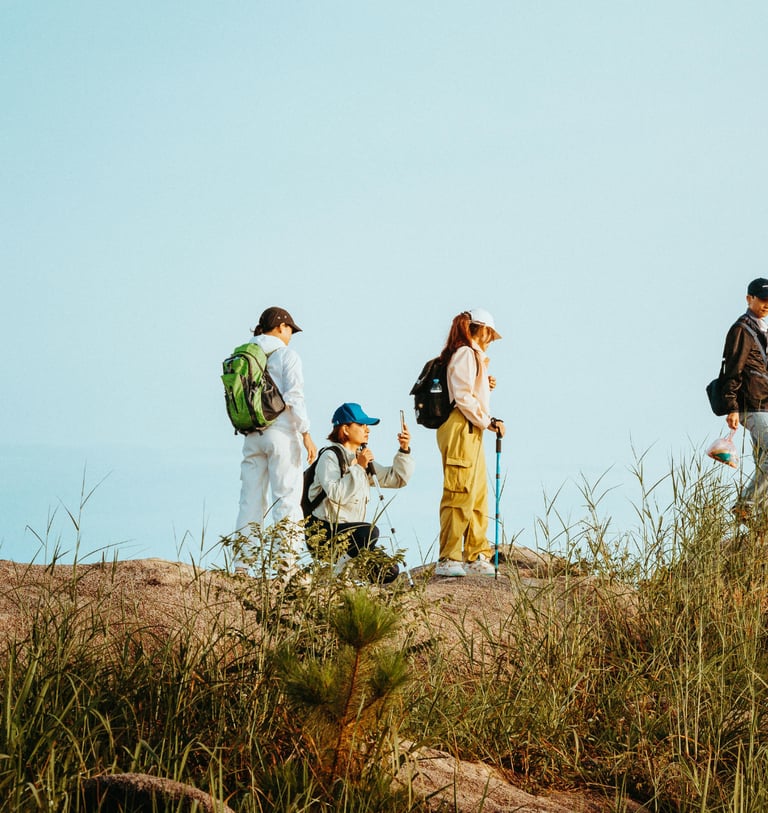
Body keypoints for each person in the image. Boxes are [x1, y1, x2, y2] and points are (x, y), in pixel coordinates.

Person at [235, 307, 317, 570]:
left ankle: (242, 565)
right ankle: (286, 563)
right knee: (287, 497)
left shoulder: (244, 354)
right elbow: (295, 397)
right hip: (281, 434)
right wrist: (306, 434)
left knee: (250, 499)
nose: (291, 334)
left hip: (251, 435)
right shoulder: (286, 355)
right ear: (281, 327)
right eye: (290, 329)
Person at [305, 402, 414, 583]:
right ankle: (336, 575)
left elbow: (396, 479)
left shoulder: (358, 458)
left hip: (351, 535)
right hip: (323, 532)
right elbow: (336, 493)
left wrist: (404, 450)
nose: (367, 430)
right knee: (369, 532)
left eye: (367, 426)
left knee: (389, 570)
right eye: (361, 425)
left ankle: (351, 580)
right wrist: (359, 467)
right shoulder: (330, 457)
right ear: (346, 429)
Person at [433, 309, 505, 577]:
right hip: (460, 425)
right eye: (490, 334)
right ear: (481, 329)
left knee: (476, 493)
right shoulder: (465, 353)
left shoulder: (471, 356)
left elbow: (468, 391)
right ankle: (449, 557)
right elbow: (462, 397)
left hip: (470, 427)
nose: (491, 340)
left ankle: (476, 554)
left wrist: (485, 383)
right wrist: (487, 421)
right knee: (459, 490)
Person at [719, 279, 768, 524]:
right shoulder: (742, 329)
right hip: (751, 404)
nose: (766, 304)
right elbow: (733, 370)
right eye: (762, 299)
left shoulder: (761, 329)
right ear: (749, 298)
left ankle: (758, 517)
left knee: (764, 464)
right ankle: (746, 504)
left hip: (764, 404)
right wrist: (732, 407)